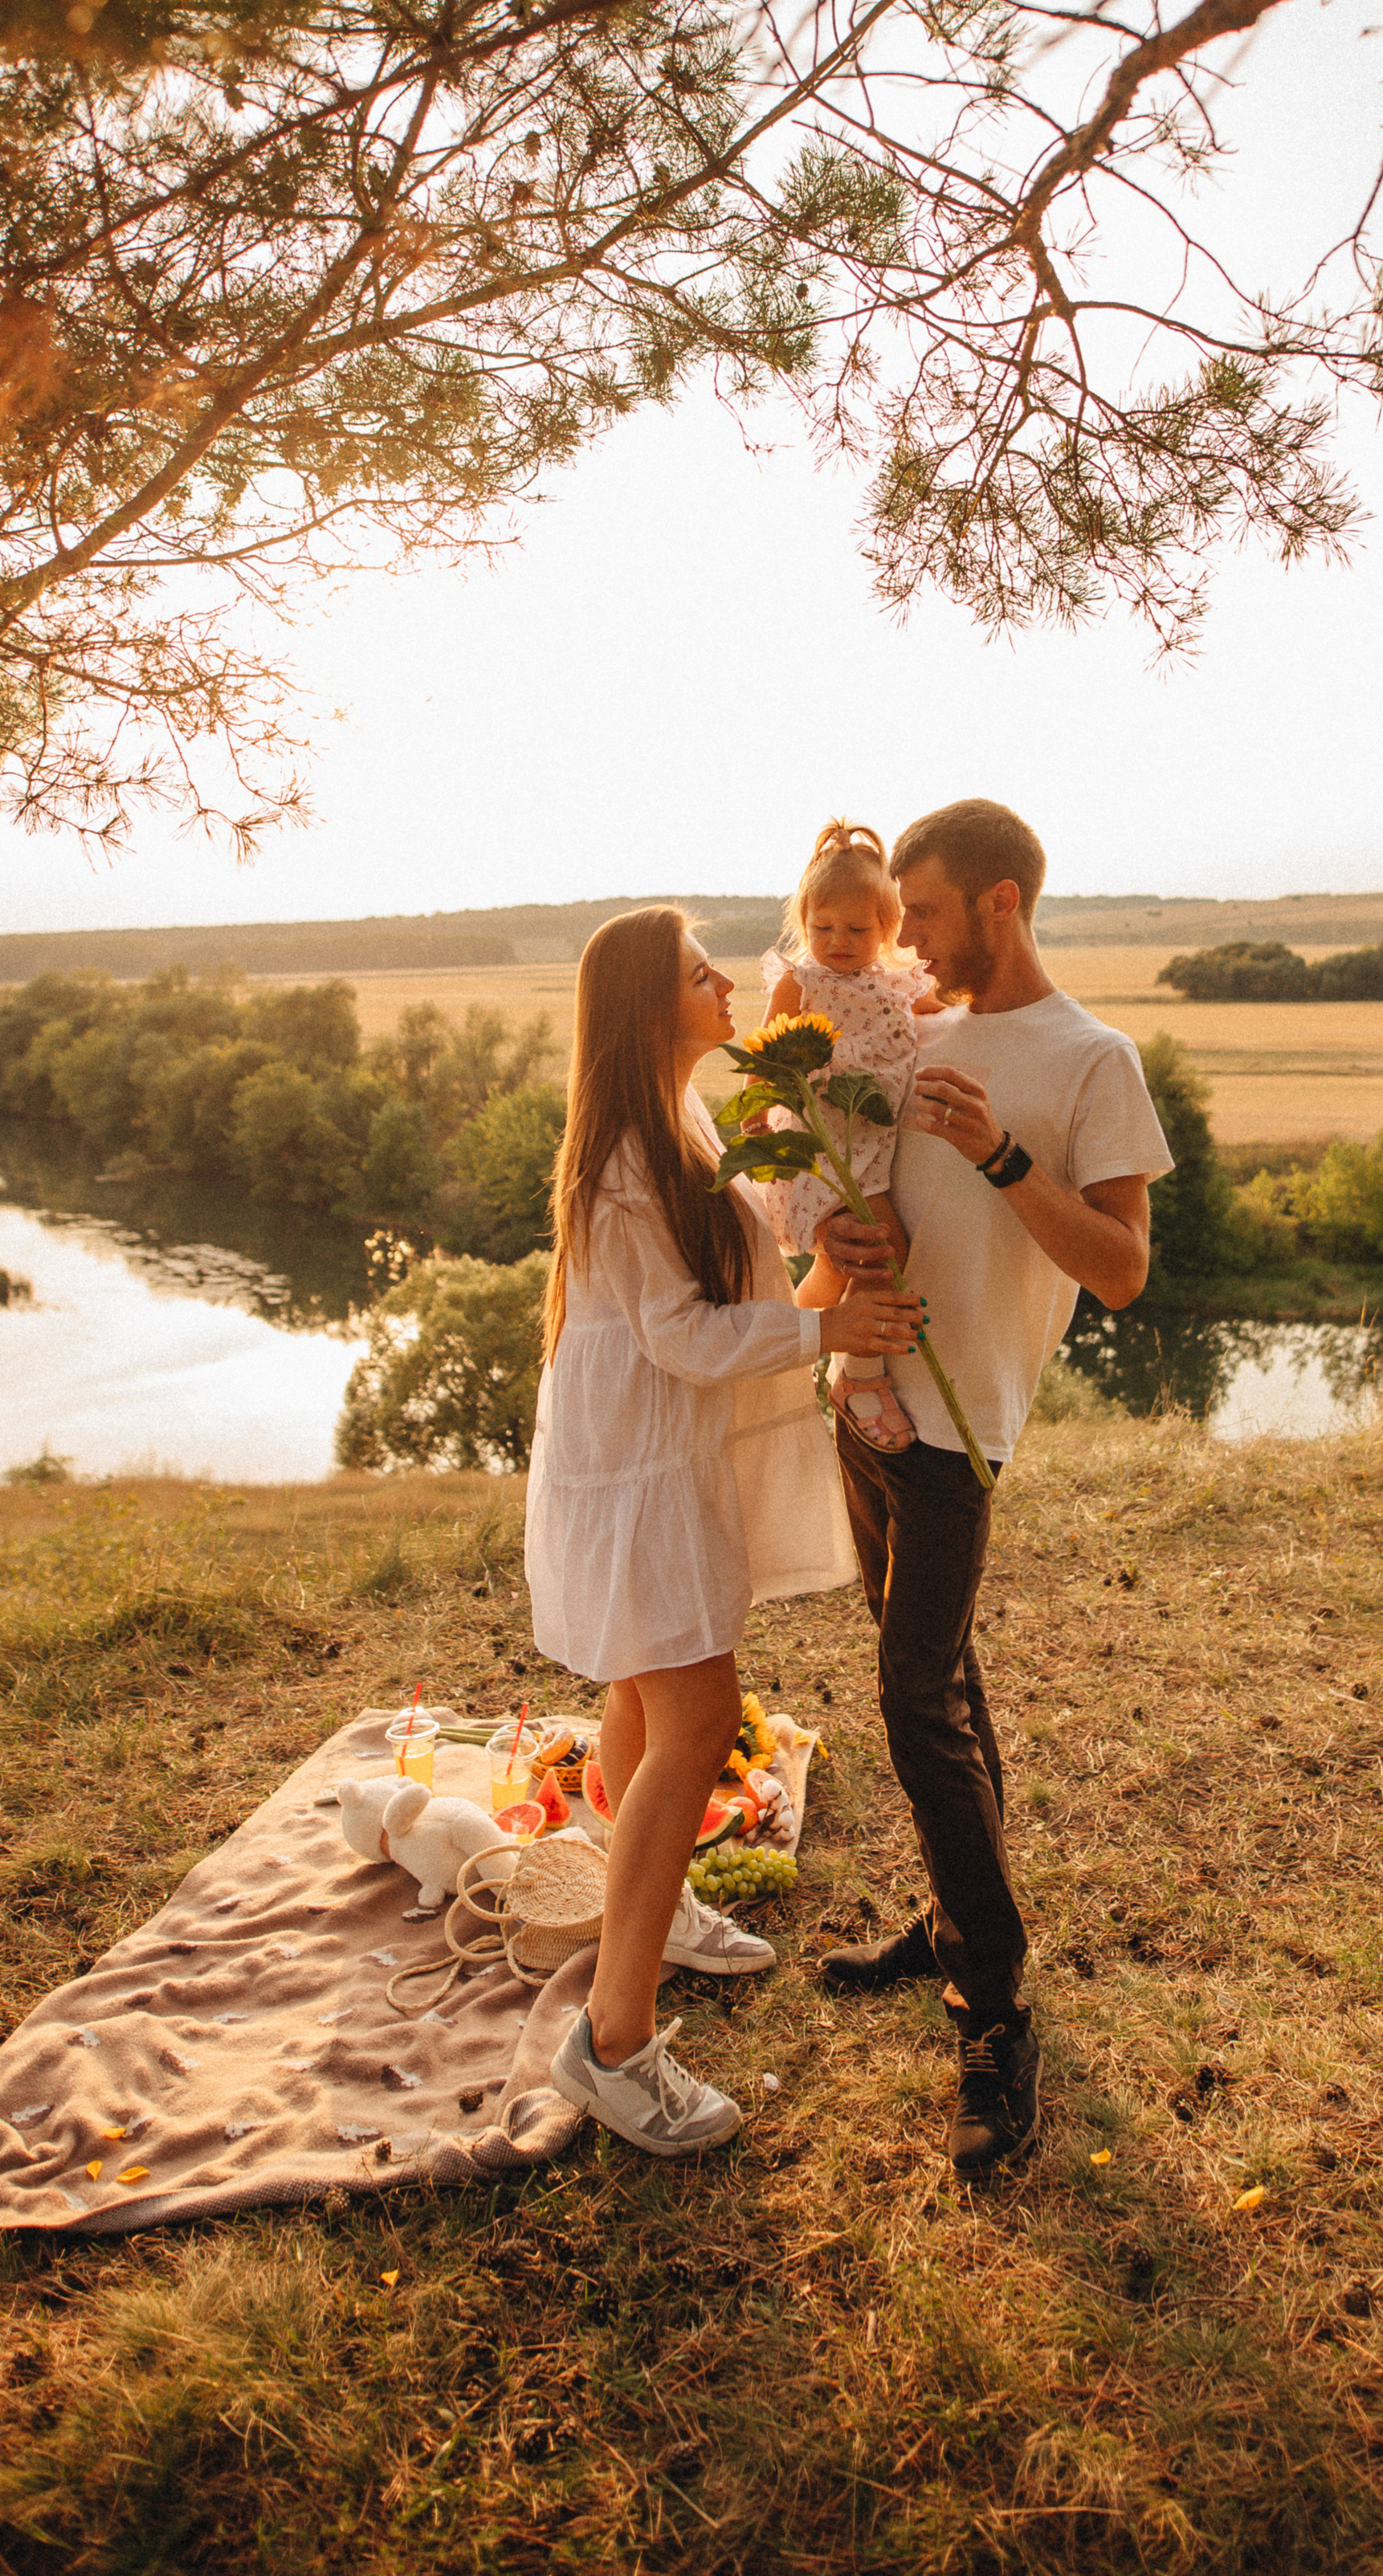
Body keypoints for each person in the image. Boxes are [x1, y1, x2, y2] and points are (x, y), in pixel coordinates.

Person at [806, 799, 1173, 2175]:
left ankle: (994, 2009)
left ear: (1002, 904)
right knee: (939, 1682)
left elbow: (1125, 1272)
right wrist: (844, 1228)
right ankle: (958, 1919)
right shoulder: (907, 1033)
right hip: (867, 1409)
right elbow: (865, 1202)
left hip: (965, 1436)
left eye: (929, 913)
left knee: (913, 1694)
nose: (903, 938)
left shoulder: (1093, 1061)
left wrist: (1004, 1157)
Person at [526, 905, 925, 2159]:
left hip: (657, 1456)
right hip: (630, 1469)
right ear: (653, 1006)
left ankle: (653, 1897)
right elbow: (689, 1343)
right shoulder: (623, 1165)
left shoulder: (688, 1123)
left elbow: (754, 1297)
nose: (727, 985)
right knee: (696, 1717)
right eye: (702, 972)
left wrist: (833, 1264)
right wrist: (833, 1333)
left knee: (653, 1697)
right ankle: (615, 2040)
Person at [753, 818, 943, 1457]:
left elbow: (951, 1016)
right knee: (882, 1252)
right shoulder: (802, 982)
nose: (837, 942)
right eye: (822, 928)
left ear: (888, 929)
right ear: (803, 922)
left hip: (871, 1146)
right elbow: (768, 1055)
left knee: (837, 1267)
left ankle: (778, 1353)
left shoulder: (896, 985)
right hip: (825, 1149)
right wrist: (758, 1127)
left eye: (858, 930)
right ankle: (858, 1381)